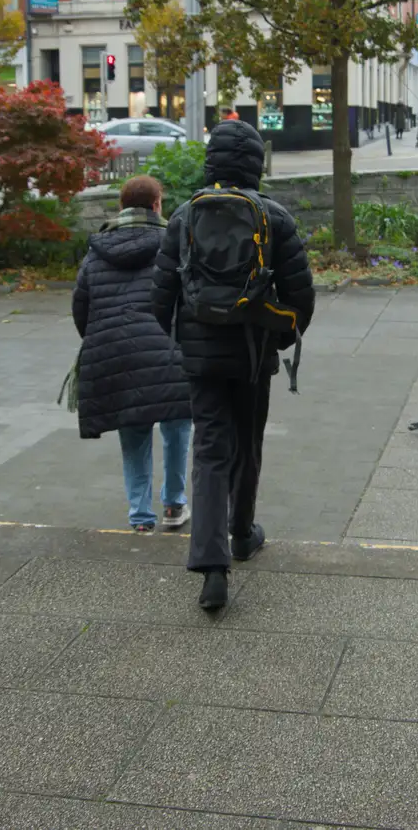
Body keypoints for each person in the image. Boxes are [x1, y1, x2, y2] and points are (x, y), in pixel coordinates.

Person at [152, 120, 315, 610]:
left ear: (212, 163)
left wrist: (186, 340)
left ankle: (211, 567)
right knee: (247, 444)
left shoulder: (183, 217)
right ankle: (242, 534)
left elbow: (160, 302)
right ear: (255, 165)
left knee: (209, 451)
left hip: (201, 361)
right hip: (251, 355)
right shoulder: (274, 217)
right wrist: (277, 336)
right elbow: (301, 298)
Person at [72, 175, 194, 534]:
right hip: (170, 352)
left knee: (134, 433)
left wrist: (104, 341)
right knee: (177, 426)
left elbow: (82, 308)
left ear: (121, 207)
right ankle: (174, 505)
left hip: (118, 355)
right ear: (157, 205)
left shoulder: (96, 252)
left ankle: (140, 517)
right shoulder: (175, 244)